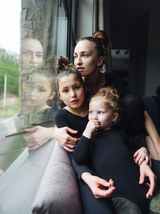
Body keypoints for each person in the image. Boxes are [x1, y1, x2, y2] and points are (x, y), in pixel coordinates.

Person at [55, 56, 156, 214]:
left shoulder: (96, 104)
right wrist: (56, 131)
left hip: (127, 165)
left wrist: (143, 151)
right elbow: (77, 156)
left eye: (77, 87)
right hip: (101, 171)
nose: (73, 95)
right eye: (66, 91)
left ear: (84, 87)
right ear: (60, 95)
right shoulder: (63, 117)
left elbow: (127, 143)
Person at [73, 86, 160, 214]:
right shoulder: (89, 138)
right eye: (91, 112)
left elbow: (131, 151)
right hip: (120, 196)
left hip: (143, 186)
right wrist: (87, 132)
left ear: (114, 117)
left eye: (100, 112)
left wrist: (143, 150)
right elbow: (78, 157)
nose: (94, 117)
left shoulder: (119, 134)